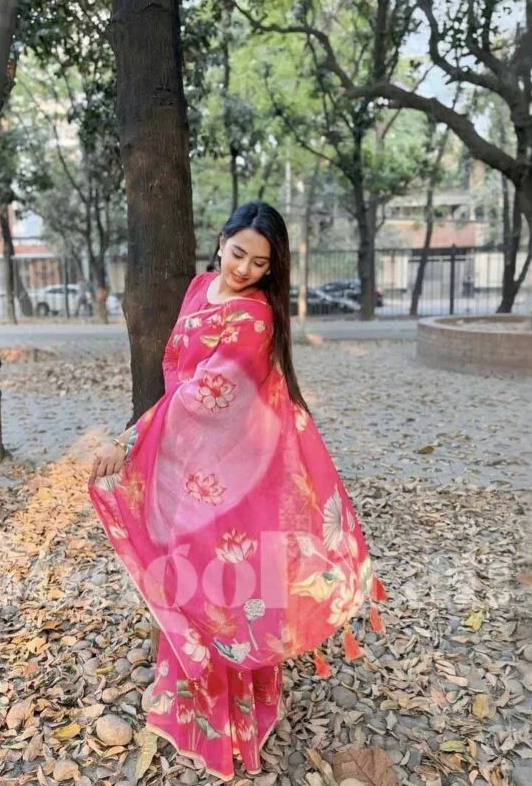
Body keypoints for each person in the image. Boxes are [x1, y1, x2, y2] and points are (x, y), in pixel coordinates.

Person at [88, 201, 385, 782]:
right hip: (185, 462)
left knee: (229, 589)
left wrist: (130, 440)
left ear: (273, 268)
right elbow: (177, 375)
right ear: (221, 241)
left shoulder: (255, 319)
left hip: (236, 474)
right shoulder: (200, 288)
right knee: (190, 580)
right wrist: (157, 442)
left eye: (260, 263)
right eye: (238, 253)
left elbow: (206, 396)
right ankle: (188, 699)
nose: (244, 269)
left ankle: (234, 718)